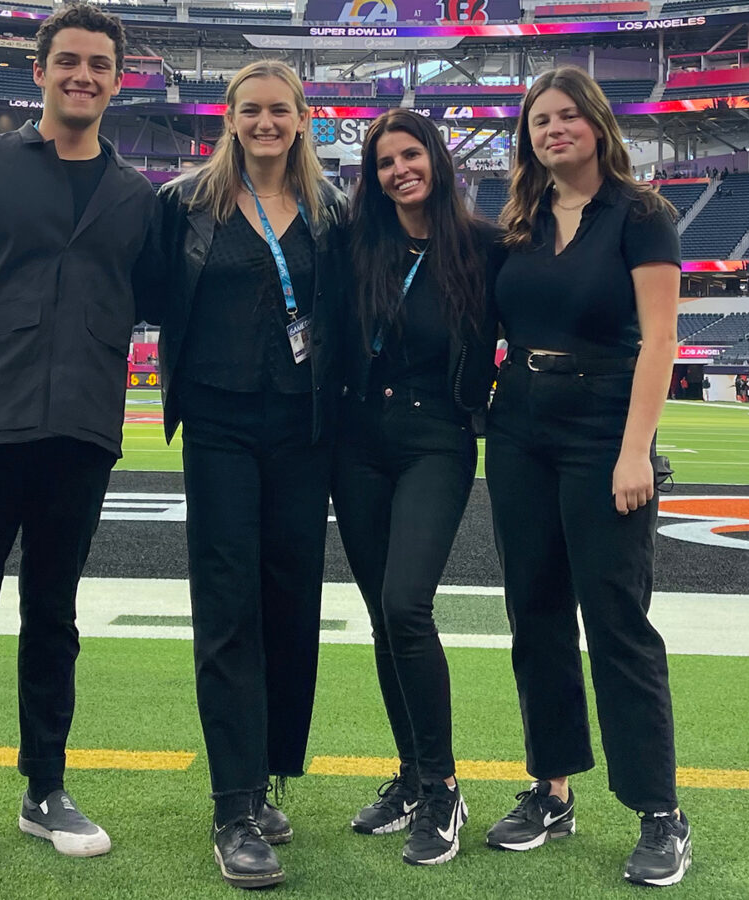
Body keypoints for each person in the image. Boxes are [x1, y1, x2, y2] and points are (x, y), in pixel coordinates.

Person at [0, 2, 160, 881]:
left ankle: (44, 788)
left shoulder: (136, 197)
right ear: (40, 70)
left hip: (83, 430)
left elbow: (172, 300)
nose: (83, 75)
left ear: (118, 81)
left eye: (100, 64)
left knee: (54, 617)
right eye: (69, 61)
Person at [482, 66, 690, 887]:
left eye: (568, 116)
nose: (554, 129)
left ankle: (659, 811)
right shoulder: (521, 222)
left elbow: (661, 339)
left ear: (598, 125)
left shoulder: (643, 215)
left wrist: (636, 449)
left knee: (617, 622)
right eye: (540, 121)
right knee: (534, 616)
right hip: (519, 424)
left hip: (604, 426)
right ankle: (551, 789)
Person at [153, 59, 349, 889]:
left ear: (302, 119)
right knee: (227, 604)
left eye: (280, 111)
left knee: (290, 604)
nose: (266, 123)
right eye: (251, 111)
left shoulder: (332, 212)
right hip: (220, 424)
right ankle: (232, 806)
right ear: (228, 118)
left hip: (303, 430)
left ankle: (268, 776)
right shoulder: (183, 205)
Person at [331, 108, 502, 866]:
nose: (400, 170)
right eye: (384, 161)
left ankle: (442, 787)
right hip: (359, 441)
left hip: (438, 439)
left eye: (411, 155)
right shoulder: (357, 241)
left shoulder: (486, 247)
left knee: (407, 605)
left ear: (435, 158)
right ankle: (408, 776)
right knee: (381, 617)